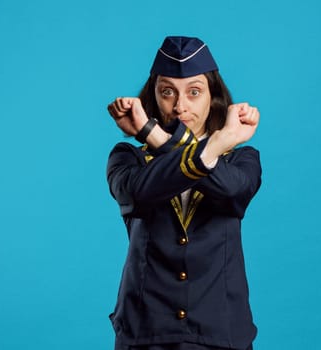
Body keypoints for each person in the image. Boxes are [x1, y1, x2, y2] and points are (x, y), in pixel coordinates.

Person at [105, 36, 262, 350]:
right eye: (167, 92)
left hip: (221, 334)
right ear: (154, 96)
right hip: (145, 333)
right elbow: (138, 194)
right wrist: (216, 143)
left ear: (212, 97)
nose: (180, 106)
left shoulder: (241, 159)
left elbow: (231, 194)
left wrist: (156, 136)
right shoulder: (128, 158)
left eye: (194, 92)